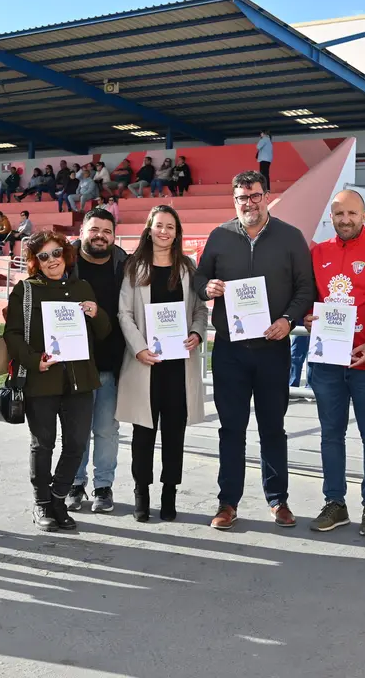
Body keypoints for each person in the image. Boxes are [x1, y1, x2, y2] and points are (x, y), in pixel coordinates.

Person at [196, 170, 314, 530]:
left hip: (272, 347)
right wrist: (209, 287)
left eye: (255, 196)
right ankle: (227, 503)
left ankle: (278, 500)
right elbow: (199, 281)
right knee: (231, 429)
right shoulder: (219, 236)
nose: (249, 203)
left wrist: (288, 320)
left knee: (272, 427)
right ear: (235, 201)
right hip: (229, 349)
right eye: (242, 198)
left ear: (267, 197)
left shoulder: (290, 238)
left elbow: (305, 289)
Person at [303, 189, 365, 536]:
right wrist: (306, 316)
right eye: (339, 214)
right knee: (331, 435)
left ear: (364, 216)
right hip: (327, 362)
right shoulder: (317, 253)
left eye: (352, 213)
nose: (345, 220)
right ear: (331, 217)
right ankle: (335, 503)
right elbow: (306, 296)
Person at [4, 230, 112, 531]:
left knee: (77, 443)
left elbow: (103, 331)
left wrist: (96, 312)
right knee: (43, 444)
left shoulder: (82, 287)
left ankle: (58, 498)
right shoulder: (26, 290)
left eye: (56, 253)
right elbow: (12, 334)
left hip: (80, 379)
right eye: (43, 256)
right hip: (43, 380)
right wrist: (33, 360)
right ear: (35, 262)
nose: (51, 260)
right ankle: (41, 504)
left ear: (65, 255)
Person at [116, 205, 209, 521]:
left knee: (174, 433)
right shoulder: (135, 268)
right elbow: (124, 313)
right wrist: (140, 348)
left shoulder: (187, 268)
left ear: (177, 232)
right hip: (146, 364)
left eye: (170, 226)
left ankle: (169, 494)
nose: (164, 231)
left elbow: (200, 310)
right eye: (159, 225)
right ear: (149, 228)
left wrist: (196, 333)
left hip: (178, 366)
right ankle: (141, 494)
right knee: (143, 434)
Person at [64, 209, 128, 514]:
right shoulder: (65, 264)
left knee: (106, 429)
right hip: (74, 363)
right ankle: (75, 484)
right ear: (81, 232)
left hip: (110, 363)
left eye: (106, 231)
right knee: (76, 430)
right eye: (94, 229)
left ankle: (104, 486)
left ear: (114, 236)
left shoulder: (123, 265)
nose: (100, 235)